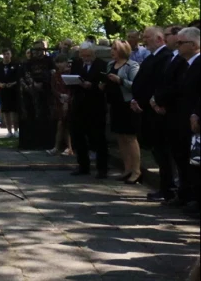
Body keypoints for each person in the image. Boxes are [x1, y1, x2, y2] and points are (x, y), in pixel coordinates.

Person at [131, 26, 174, 201]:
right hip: (146, 109)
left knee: (163, 151)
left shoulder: (165, 57)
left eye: (147, 37)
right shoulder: (152, 57)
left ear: (159, 39)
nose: (144, 40)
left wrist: (153, 100)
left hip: (156, 110)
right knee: (157, 150)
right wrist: (135, 99)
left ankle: (167, 188)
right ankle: (165, 188)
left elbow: (160, 83)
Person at [168, 27, 200, 208]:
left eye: (181, 43)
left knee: (194, 161)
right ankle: (187, 193)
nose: (176, 46)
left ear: (194, 44)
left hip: (194, 120)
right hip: (181, 119)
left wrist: (197, 113)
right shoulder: (185, 65)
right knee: (183, 159)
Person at [69, 42, 108, 178]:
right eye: (83, 55)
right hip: (79, 105)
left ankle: (102, 169)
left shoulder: (102, 64)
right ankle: (83, 166)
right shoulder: (77, 64)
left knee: (98, 138)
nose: (86, 58)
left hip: (95, 106)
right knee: (78, 137)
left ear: (94, 54)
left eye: (88, 55)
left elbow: (104, 84)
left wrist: (91, 86)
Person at [104, 40, 141, 184]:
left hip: (127, 105)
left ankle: (137, 171)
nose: (112, 51)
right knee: (120, 136)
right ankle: (127, 168)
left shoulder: (132, 65)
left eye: (115, 49)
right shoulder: (109, 65)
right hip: (115, 104)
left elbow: (136, 85)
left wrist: (120, 80)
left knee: (130, 137)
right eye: (111, 49)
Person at [19, 41, 55, 150]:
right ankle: (31, 143)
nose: (38, 52)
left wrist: (43, 83)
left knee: (45, 116)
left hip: (46, 92)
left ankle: (46, 143)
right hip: (31, 92)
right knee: (31, 116)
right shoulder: (28, 62)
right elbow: (24, 75)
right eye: (36, 49)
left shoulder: (50, 61)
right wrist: (32, 84)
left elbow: (52, 73)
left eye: (40, 49)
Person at [47, 55, 73, 156]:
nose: (59, 65)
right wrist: (60, 95)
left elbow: (71, 87)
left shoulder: (70, 73)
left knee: (65, 125)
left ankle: (65, 147)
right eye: (57, 63)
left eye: (61, 62)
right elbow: (53, 88)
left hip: (69, 101)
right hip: (59, 101)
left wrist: (67, 98)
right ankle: (61, 147)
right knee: (61, 124)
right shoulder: (55, 75)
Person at [0, 48, 22, 137]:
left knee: (14, 111)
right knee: (6, 111)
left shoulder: (15, 65)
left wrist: (12, 84)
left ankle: (16, 130)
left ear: (11, 55)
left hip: (13, 91)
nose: (6, 55)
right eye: (5, 54)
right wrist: (0, 84)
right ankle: (9, 131)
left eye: (8, 54)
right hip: (3, 91)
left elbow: (19, 78)